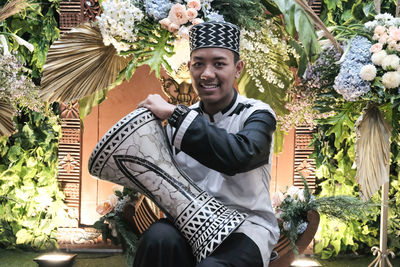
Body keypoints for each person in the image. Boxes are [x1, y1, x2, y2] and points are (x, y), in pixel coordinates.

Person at [135, 21, 279, 267]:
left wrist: (176, 114)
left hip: (245, 227)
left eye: (219, 64)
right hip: (190, 222)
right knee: (156, 239)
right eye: (198, 64)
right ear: (189, 67)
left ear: (238, 68)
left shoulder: (257, 114)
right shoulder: (178, 120)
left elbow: (239, 155)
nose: (207, 73)